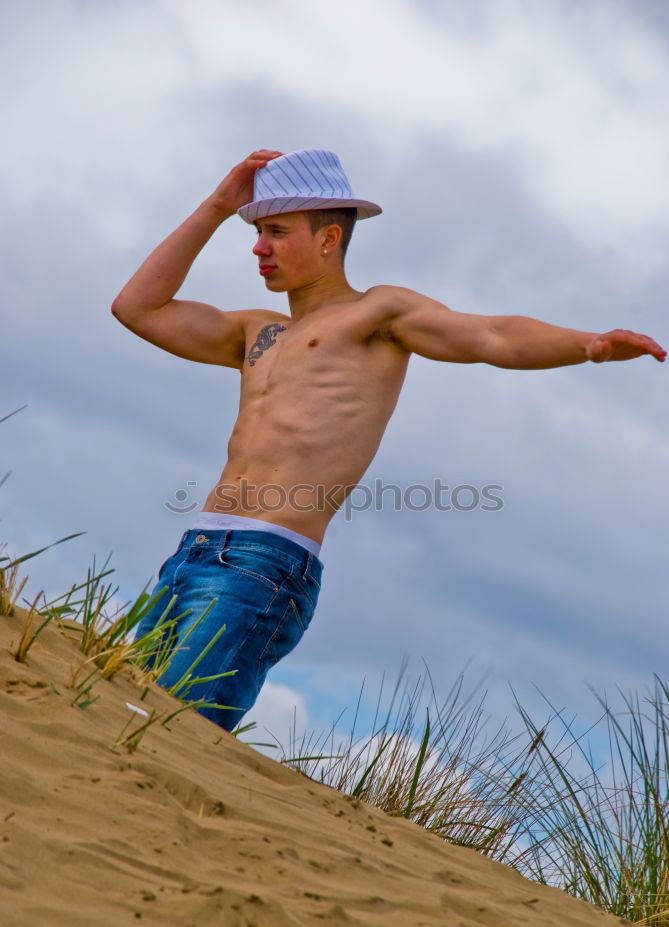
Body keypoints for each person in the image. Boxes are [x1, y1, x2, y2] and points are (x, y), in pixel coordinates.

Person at [111, 147, 666, 734]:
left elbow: (492, 335)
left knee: (171, 732)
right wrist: (218, 206)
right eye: (256, 232)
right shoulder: (256, 331)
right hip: (193, 552)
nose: (258, 248)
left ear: (329, 240)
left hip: (262, 564)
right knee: (120, 714)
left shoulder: (378, 314)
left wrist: (586, 343)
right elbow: (137, 307)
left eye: (275, 232)